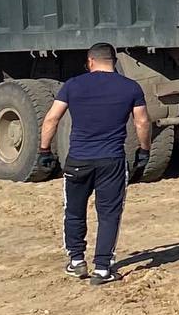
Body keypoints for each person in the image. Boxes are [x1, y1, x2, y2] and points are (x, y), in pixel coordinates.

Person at [38, 42, 152, 285]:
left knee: (74, 211)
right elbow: (142, 122)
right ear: (114, 61)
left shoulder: (73, 85)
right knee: (109, 213)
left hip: (78, 159)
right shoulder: (130, 87)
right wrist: (144, 150)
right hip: (111, 160)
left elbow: (51, 119)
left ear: (90, 61)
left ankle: (77, 261)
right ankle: (102, 268)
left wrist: (44, 150)